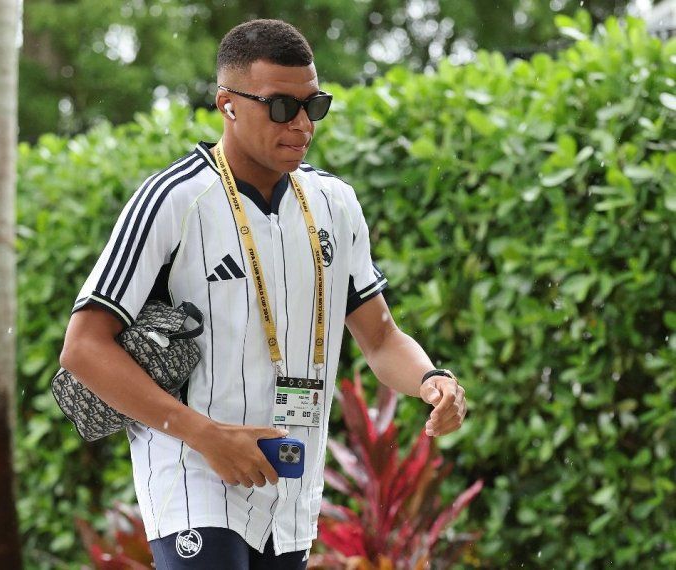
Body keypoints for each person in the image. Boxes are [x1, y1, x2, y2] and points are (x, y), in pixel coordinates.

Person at [60, 18, 467, 569]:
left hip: (291, 482)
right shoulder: (172, 200)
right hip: (193, 475)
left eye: (314, 106)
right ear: (227, 104)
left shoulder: (335, 204)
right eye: (281, 107)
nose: (302, 124)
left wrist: (430, 380)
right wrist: (206, 436)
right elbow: (83, 347)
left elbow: (380, 337)